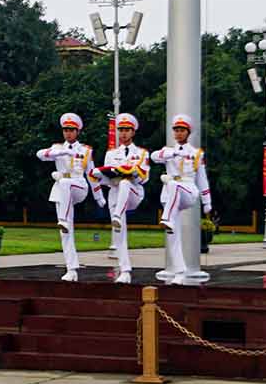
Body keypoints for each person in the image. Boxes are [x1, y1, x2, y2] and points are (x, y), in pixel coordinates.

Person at [35, 112, 99, 281]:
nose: (68, 133)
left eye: (71, 130)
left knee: (63, 183)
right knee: (65, 232)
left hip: (79, 187)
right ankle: (71, 269)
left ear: (77, 132)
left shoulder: (85, 150)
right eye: (65, 130)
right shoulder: (57, 148)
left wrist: (99, 197)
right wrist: (59, 153)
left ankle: (63, 219)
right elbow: (40, 155)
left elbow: (92, 174)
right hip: (62, 193)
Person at [152, 114, 213, 285]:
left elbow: (202, 178)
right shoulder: (167, 151)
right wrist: (169, 153)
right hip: (171, 197)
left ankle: (166, 218)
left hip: (188, 191)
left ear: (188, 132)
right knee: (173, 235)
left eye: (182, 130)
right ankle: (179, 271)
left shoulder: (196, 154)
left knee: (172, 184)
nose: (178, 133)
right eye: (176, 130)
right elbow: (153, 157)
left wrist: (207, 201)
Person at [97, 114, 151, 284]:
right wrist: (100, 175)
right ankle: (125, 270)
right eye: (121, 130)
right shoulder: (111, 153)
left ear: (133, 132)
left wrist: (131, 172)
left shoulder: (141, 153)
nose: (124, 134)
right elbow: (107, 179)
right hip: (115, 191)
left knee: (126, 183)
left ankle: (118, 216)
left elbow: (145, 177)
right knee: (119, 233)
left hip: (133, 191)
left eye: (127, 130)